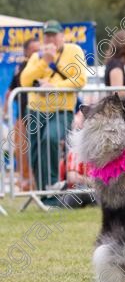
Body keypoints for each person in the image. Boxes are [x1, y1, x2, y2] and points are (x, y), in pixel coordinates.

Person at [20, 20, 87, 205]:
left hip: (61, 110)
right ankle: (44, 195)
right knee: (34, 152)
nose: (50, 39)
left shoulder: (74, 51)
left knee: (49, 139)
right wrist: (44, 62)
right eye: (47, 35)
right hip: (34, 111)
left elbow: (80, 80)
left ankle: (51, 189)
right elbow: (25, 81)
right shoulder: (38, 56)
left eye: (53, 35)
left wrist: (54, 86)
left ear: (61, 36)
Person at [4, 38, 40, 190]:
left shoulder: (43, 66)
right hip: (23, 115)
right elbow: (10, 91)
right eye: (33, 50)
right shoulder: (22, 67)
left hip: (41, 114)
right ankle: (25, 181)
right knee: (21, 149)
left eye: (38, 49)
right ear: (26, 52)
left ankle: (38, 181)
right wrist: (5, 110)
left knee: (38, 148)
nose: (36, 53)